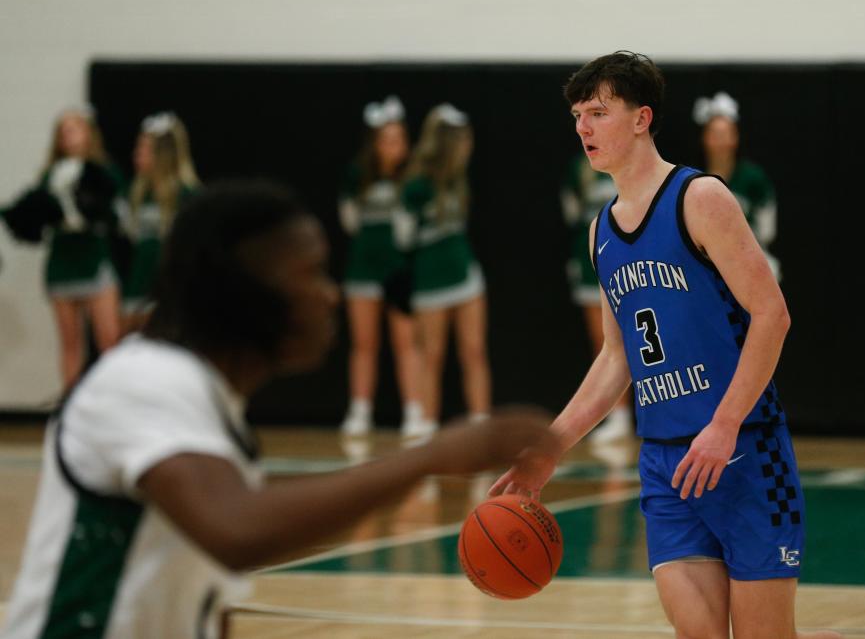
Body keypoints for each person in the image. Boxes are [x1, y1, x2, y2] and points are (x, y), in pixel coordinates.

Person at [1, 181, 559, 639]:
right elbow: (237, 532)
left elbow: (203, 596)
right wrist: (428, 457)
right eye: (309, 273)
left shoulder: (204, 404)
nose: (329, 294)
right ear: (241, 289)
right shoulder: (142, 380)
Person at [489, 51, 865, 639]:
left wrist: (723, 424)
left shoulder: (700, 199)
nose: (582, 128)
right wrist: (551, 446)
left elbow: (773, 315)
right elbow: (615, 359)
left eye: (597, 112)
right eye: (576, 115)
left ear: (642, 119)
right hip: (666, 464)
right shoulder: (601, 231)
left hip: (743, 451)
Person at [0, 106, 124, 390]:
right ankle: (70, 407)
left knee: (109, 341)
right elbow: (32, 222)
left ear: (88, 132)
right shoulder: (50, 176)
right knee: (70, 343)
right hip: (62, 264)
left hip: (93, 259)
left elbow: (116, 216)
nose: (68, 136)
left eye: (74, 128)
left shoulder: (104, 173)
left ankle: (111, 401)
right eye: (63, 131)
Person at [397, 103, 491, 437]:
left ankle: (481, 423)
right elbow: (402, 236)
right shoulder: (417, 186)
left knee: (474, 350)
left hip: (465, 276)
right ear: (448, 143)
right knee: (431, 355)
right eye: (463, 140)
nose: (468, 147)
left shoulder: (457, 180)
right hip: (430, 282)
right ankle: (426, 426)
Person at [339, 96, 423, 436]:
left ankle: (414, 411)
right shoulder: (357, 175)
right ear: (375, 144)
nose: (394, 146)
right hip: (363, 269)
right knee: (364, 344)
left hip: (399, 271)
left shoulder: (413, 178)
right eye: (387, 140)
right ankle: (360, 410)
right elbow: (349, 222)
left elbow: (414, 227)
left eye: (399, 139)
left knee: (406, 343)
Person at [560, 154, 633, 442]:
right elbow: (572, 215)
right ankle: (619, 415)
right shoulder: (577, 170)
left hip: (630, 255)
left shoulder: (631, 165)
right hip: (590, 259)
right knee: (605, 341)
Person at [121, 112, 200, 329]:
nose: (136, 155)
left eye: (143, 149)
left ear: (163, 153)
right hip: (138, 283)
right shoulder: (138, 192)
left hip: (170, 286)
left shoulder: (187, 194)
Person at [694, 92, 781, 281]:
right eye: (715, 134)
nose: (720, 141)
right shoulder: (692, 179)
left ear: (736, 137)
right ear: (705, 138)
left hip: (749, 256)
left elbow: (767, 229)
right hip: (706, 261)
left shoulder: (753, 178)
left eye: (725, 134)